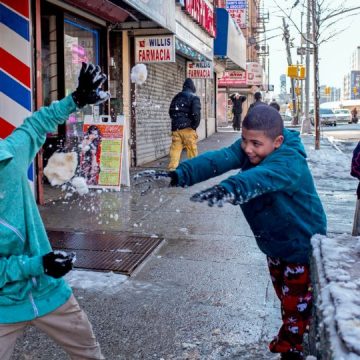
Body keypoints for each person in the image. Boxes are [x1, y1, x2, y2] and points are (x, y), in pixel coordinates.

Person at [135, 105, 327, 360]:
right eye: (244, 140)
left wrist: (229, 189)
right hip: (276, 243)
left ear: (277, 141)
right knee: (289, 300)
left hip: (301, 243)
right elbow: (218, 159)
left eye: (255, 144)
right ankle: (297, 336)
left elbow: (259, 178)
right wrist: (176, 176)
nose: (247, 149)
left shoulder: (289, 161)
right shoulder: (254, 147)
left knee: (295, 307)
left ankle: (290, 350)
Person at [0, 62, 109, 359]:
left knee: (89, 352)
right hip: (3, 306)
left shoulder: (6, 160)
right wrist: (40, 265)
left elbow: (36, 124)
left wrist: (76, 99)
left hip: (49, 293)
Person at [168, 78, 201, 171]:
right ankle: (194, 169)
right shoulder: (194, 98)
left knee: (175, 149)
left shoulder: (176, 97)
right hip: (188, 128)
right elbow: (196, 114)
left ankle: (172, 169)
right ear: (192, 87)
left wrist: (176, 122)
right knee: (192, 149)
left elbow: (170, 111)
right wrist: (194, 126)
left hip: (176, 128)